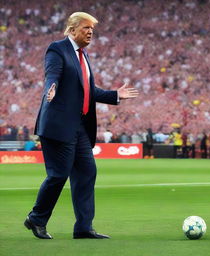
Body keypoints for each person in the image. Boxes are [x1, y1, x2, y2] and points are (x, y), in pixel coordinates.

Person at [24, 12, 138, 240]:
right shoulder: (57, 49)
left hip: (79, 127)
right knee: (58, 175)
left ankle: (84, 227)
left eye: (92, 30)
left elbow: (89, 92)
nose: (90, 32)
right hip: (58, 126)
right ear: (73, 29)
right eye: (86, 28)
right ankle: (36, 219)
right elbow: (52, 74)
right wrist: (52, 86)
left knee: (87, 172)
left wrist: (116, 94)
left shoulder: (83, 56)